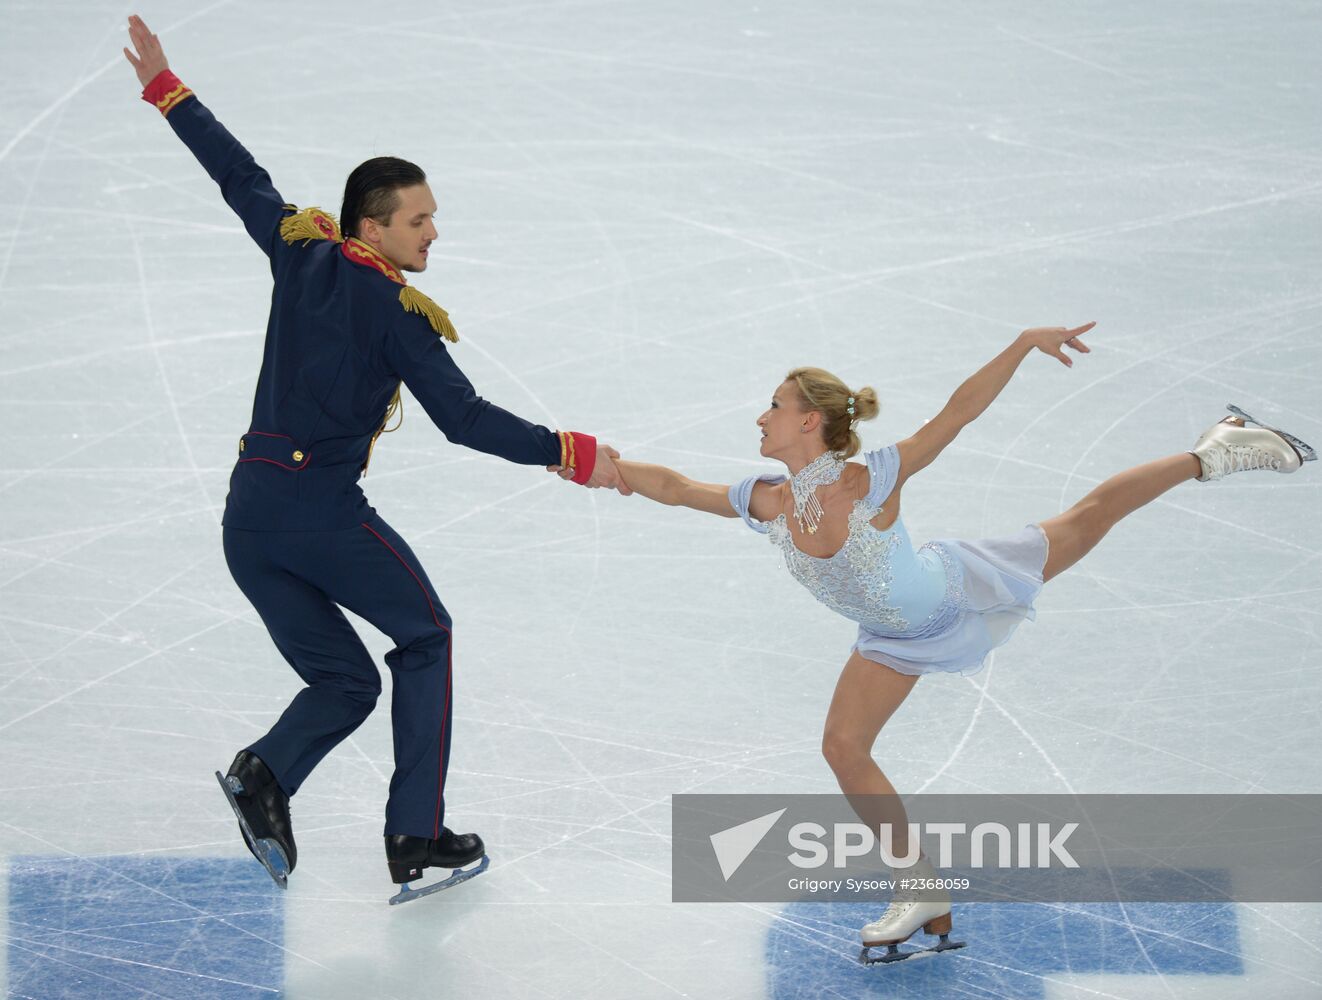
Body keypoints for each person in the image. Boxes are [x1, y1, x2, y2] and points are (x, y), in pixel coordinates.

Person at [566, 323, 1314, 958]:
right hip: (891, 637)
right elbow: (674, 486)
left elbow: (956, 415)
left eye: (774, 405)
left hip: (958, 589)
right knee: (843, 748)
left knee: (1088, 518)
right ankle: (919, 887)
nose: (760, 416)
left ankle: (1215, 450)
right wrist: (600, 466)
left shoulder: (871, 480)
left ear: (808, 423)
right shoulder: (765, 501)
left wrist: (1022, 344)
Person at [123, 15, 629, 902]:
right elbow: (463, 419)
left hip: (248, 519)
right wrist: (568, 451)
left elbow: (239, 176)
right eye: (420, 220)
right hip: (320, 514)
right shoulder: (397, 314)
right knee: (426, 636)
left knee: (346, 679)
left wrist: (170, 91)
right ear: (375, 224)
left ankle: (263, 775)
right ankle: (416, 835)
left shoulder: (300, 251)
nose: (433, 234)